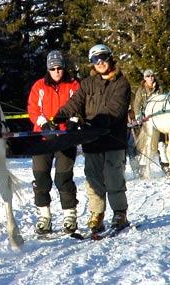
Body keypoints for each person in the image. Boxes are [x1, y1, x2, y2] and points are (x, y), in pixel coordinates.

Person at [52, 44, 131, 233]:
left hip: (113, 140)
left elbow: (115, 110)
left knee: (113, 178)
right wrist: (61, 115)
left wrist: (93, 124)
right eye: (96, 59)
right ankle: (97, 213)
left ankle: (120, 213)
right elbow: (75, 102)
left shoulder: (121, 83)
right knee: (93, 179)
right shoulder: (88, 83)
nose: (100, 62)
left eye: (103, 57)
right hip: (92, 142)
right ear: (92, 63)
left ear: (110, 58)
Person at [27, 50, 80, 235]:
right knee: (41, 179)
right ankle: (44, 217)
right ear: (48, 69)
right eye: (53, 68)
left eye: (59, 68)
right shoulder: (39, 86)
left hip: (66, 139)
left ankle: (70, 216)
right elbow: (33, 109)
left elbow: (80, 106)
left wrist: (73, 123)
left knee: (63, 179)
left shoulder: (73, 85)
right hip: (43, 140)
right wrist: (43, 124)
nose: (57, 71)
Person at [132, 69, 170, 176]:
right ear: (144, 78)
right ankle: (143, 165)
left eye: (152, 76)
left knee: (161, 143)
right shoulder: (141, 90)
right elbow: (137, 103)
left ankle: (165, 164)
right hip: (146, 119)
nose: (150, 78)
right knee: (146, 143)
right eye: (148, 76)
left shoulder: (159, 89)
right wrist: (137, 116)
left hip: (158, 118)